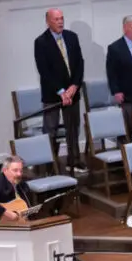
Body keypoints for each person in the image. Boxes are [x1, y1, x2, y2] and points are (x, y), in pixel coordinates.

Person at [34, 9, 85, 170]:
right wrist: (61, 91)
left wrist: (74, 86)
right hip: (52, 94)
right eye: (56, 19)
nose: (60, 22)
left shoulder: (71, 37)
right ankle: (49, 165)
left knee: (73, 128)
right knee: (50, 130)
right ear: (48, 21)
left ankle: (74, 161)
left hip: (72, 92)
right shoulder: (41, 42)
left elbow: (79, 63)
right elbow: (44, 71)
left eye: (62, 18)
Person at [0, 156, 32, 221]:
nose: (19, 174)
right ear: (5, 170)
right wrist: (6, 213)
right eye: (15, 170)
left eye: (21, 171)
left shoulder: (22, 185)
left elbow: (24, 208)